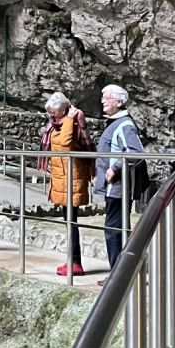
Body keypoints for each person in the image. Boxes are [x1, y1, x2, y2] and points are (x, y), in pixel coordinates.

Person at [39, 92, 94, 276]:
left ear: (64, 110)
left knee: (71, 222)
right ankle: (72, 260)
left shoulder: (73, 123)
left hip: (72, 179)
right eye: (49, 112)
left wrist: (70, 119)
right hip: (61, 178)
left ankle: (75, 262)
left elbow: (64, 144)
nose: (51, 115)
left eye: (54, 112)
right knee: (68, 221)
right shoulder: (56, 124)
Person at [94, 84, 145, 269]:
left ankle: (117, 275)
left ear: (118, 102)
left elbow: (136, 152)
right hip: (114, 187)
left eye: (106, 98)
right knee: (115, 229)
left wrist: (115, 168)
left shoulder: (124, 125)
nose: (102, 101)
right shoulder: (115, 123)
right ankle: (118, 272)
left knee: (114, 231)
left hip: (118, 187)